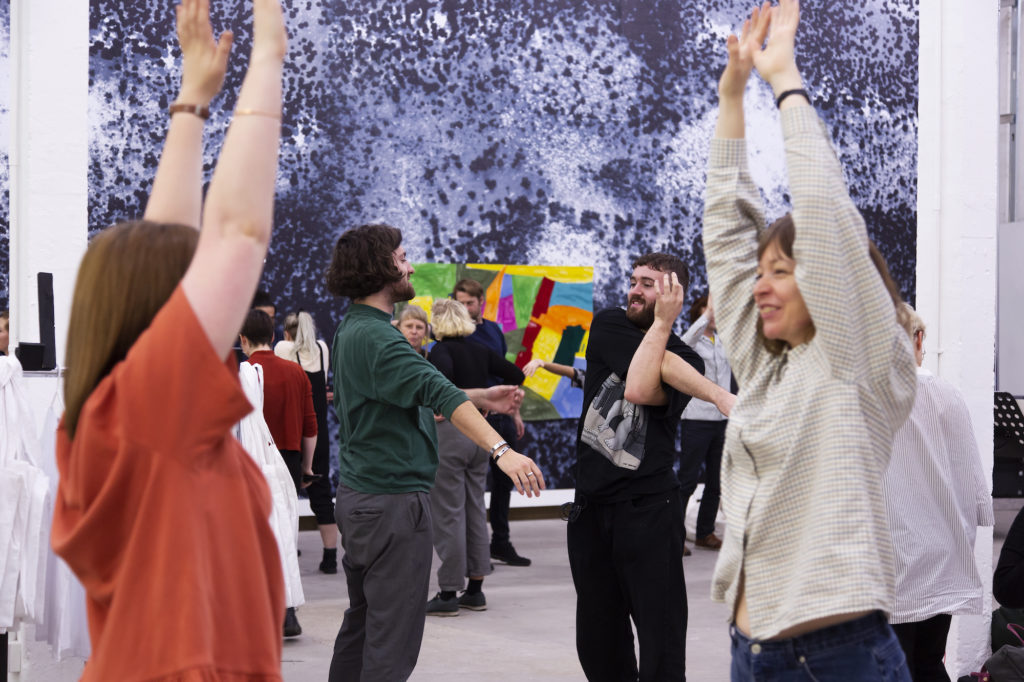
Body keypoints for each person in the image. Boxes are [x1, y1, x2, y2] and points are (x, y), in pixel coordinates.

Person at [51, 0, 288, 679]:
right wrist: (268, 56)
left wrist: (192, 102)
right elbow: (236, 233)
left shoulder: (113, 419)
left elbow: (165, 248)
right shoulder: (143, 411)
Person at [700, 1, 917, 678]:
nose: (760, 288)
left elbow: (824, 214)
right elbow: (727, 234)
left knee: (814, 228)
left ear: (826, 283)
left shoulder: (855, 361)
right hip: (753, 652)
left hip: (837, 658)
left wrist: (784, 82)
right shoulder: (769, 370)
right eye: (762, 276)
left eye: (782, 274)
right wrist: (731, 96)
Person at [325, 223, 545, 681]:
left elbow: (423, 389)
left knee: (365, 623)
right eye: (402, 258)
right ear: (380, 267)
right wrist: (502, 449)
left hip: (364, 499)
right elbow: (440, 395)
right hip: (392, 505)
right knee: (392, 638)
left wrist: (484, 398)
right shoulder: (382, 339)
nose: (409, 266)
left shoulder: (355, 329)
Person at [568, 252, 733, 682]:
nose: (635, 291)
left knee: (661, 639)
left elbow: (640, 387)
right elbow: (650, 373)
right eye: (634, 281)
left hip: (649, 510)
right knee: (598, 641)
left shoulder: (688, 360)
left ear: (673, 295)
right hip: (591, 510)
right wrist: (719, 395)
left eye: (648, 284)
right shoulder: (608, 323)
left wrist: (663, 325)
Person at [884, 303, 994, 681]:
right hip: (941, 555)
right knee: (929, 661)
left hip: (891, 560)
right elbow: (974, 487)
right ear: (915, 339)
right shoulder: (948, 395)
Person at [425, 298, 526, 616]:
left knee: (449, 513)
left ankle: (448, 591)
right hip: (479, 434)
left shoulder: (440, 351)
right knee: (473, 509)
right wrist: (487, 398)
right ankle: (476, 589)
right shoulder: (479, 349)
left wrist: (441, 407)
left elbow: (440, 388)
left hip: (452, 434)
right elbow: (516, 374)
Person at [239, 308, 316, 638]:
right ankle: (288, 612)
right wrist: (307, 467)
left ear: (243, 339)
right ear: (273, 336)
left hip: (254, 463)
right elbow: (311, 427)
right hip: (290, 459)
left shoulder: (245, 374)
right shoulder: (295, 372)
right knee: (286, 533)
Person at [453, 278, 530, 566]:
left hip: (501, 416)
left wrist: (515, 412)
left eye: (469, 303)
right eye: (459, 302)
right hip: (471, 417)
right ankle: (473, 552)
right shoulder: (454, 336)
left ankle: (501, 542)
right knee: (470, 486)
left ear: (480, 302)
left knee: (504, 481)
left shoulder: (493, 330)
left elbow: (506, 375)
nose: (464, 308)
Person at [275, 310, 339, 574]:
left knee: (285, 494)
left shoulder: (282, 348)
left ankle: (287, 554)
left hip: (291, 432)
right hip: (319, 432)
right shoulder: (323, 349)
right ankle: (330, 556)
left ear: (286, 333)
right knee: (321, 495)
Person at [678, 294, 734, 554]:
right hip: (696, 420)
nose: (714, 314)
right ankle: (674, 536)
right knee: (687, 480)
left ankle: (705, 533)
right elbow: (683, 342)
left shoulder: (722, 340)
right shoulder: (693, 339)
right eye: (707, 310)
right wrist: (706, 314)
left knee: (716, 481)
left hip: (722, 420)